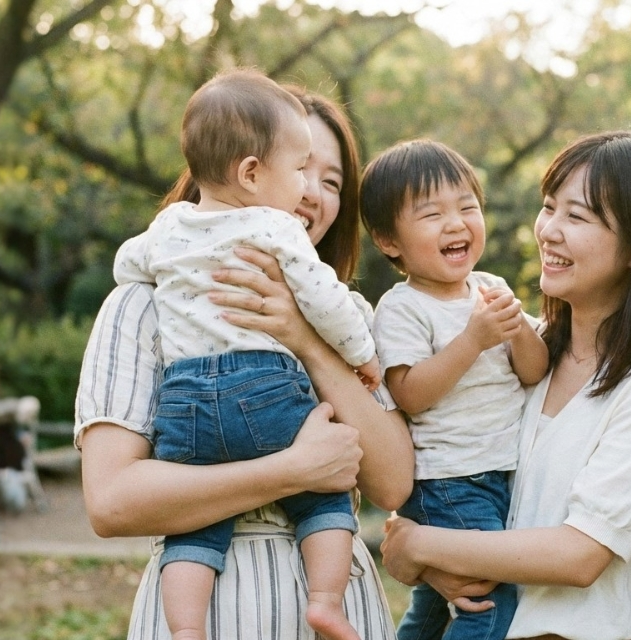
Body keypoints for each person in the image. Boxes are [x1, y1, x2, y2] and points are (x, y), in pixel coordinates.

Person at [76, 84, 414, 640]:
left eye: (330, 180)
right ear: (248, 171)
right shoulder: (143, 305)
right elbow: (112, 503)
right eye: (301, 168)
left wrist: (304, 339)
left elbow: (393, 483)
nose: (310, 191)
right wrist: (290, 472)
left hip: (336, 606)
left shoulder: (347, 315)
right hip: (208, 609)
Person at [378, 131, 631, 640]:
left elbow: (580, 555)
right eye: (549, 207)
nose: (549, 230)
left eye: (577, 217)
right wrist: (422, 555)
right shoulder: (521, 348)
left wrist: (417, 546)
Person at [359, 140, 550, 640]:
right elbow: (409, 393)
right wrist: (474, 339)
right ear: (388, 240)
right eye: (431, 214)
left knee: (438, 602)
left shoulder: (490, 287)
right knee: (487, 598)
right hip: (448, 480)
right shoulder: (402, 308)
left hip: (496, 476)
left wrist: (518, 329)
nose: (456, 223)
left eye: (467, 207)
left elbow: (533, 371)